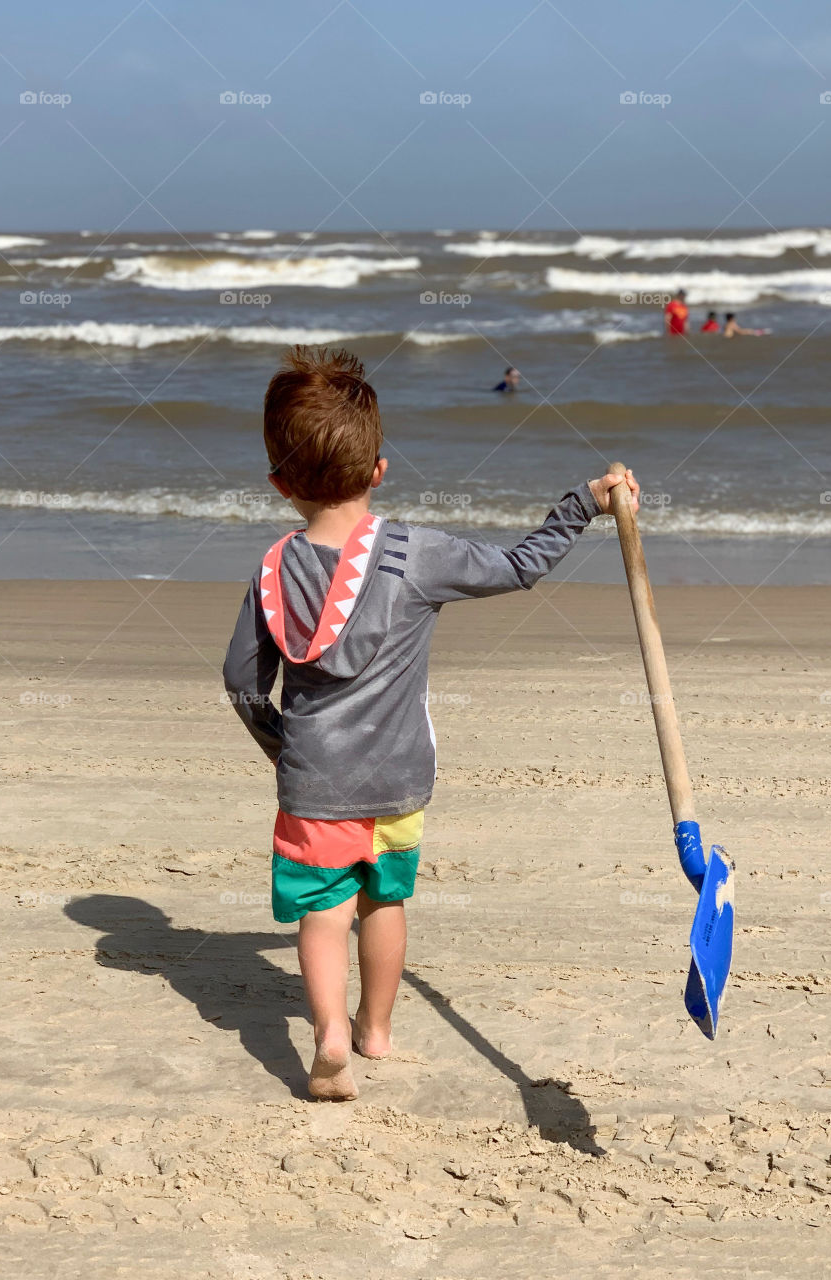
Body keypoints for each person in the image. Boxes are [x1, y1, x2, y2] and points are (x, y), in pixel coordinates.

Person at [223, 347, 640, 1101]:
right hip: (399, 780)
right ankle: (376, 1029)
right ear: (380, 470)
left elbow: (242, 682)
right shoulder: (418, 555)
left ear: (280, 484)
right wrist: (583, 504)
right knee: (384, 902)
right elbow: (520, 566)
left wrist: (281, 745)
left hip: (315, 784)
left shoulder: (272, 571)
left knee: (322, 912)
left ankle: (329, 1034)